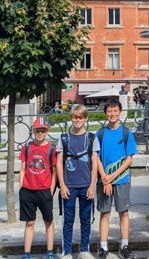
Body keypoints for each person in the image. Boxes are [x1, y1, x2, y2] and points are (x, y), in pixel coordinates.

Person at [93, 99, 137, 259]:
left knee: (123, 213)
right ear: (105, 113)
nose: (112, 114)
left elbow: (129, 159)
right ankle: (103, 248)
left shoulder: (127, 133)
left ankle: (124, 246)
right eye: (109, 111)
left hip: (122, 180)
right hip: (104, 181)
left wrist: (112, 176)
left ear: (120, 112)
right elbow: (96, 158)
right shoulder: (99, 134)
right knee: (104, 213)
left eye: (115, 110)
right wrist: (105, 178)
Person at [56, 105, 97, 259]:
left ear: (85, 118)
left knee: (86, 219)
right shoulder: (64, 138)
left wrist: (92, 185)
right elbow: (59, 163)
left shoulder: (92, 138)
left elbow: (95, 164)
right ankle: (66, 251)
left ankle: (84, 250)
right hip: (69, 185)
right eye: (74, 117)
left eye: (80, 117)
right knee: (68, 221)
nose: (77, 120)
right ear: (71, 118)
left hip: (86, 185)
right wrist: (62, 185)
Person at [19, 118, 57, 259]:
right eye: (37, 130)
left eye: (43, 130)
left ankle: (49, 252)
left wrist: (51, 190)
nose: (40, 133)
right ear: (33, 131)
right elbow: (23, 169)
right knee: (30, 222)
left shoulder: (52, 149)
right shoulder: (27, 147)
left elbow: (54, 172)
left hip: (44, 190)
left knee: (48, 221)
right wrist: (21, 187)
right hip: (28, 190)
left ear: (47, 131)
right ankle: (26, 253)